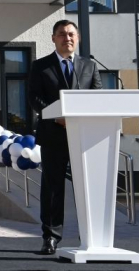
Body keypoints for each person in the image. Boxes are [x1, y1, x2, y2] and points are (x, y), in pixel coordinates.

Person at [28, 19, 102, 255]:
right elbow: (34, 99)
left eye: (71, 34)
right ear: (53, 38)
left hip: (84, 137)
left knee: (87, 189)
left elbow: (97, 97)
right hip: (53, 135)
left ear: (77, 38)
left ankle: (89, 236)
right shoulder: (40, 66)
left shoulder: (89, 66)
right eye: (62, 34)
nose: (67, 38)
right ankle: (50, 238)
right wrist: (56, 116)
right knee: (53, 189)